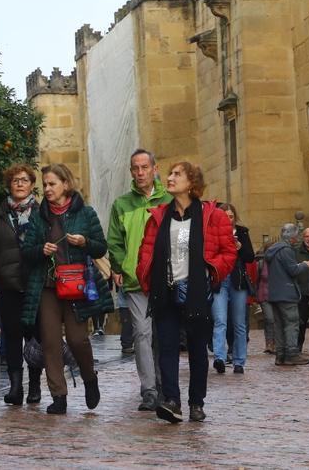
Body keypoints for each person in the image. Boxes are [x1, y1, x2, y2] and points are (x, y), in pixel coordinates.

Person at [136, 161, 237, 424]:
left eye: (176, 175)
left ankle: (196, 403)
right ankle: (171, 401)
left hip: (195, 292)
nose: (169, 178)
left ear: (191, 183)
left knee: (196, 350)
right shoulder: (159, 216)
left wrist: (210, 271)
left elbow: (229, 252)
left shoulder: (211, 216)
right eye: (169, 174)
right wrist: (144, 277)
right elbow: (145, 251)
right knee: (167, 347)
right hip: (165, 289)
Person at [20, 163, 112, 415]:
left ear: (66, 184)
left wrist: (85, 242)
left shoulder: (86, 213)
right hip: (48, 286)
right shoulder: (38, 216)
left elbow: (101, 248)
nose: (47, 189)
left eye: (52, 184)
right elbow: (27, 252)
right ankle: (58, 396)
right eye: (45, 184)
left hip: (76, 284)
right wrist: (41, 249)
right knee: (50, 341)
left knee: (77, 339)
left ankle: (89, 378)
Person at [106, 149, 173, 411]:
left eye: (145, 167)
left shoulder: (169, 200)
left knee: (163, 335)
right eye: (135, 168)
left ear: (155, 169)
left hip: (166, 279)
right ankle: (149, 389)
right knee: (142, 334)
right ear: (131, 171)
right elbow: (114, 241)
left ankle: (164, 383)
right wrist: (122, 266)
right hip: (136, 280)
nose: (140, 172)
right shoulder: (121, 204)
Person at [0, 163, 40, 405]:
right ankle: (15, 387)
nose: (19, 184)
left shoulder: (41, 212)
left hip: (35, 285)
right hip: (8, 285)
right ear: (9, 184)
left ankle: (35, 385)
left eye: (24, 180)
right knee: (13, 336)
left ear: (31, 184)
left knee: (35, 337)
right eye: (15, 180)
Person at [211, 202, 256, 374]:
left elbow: (250, 257)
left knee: (239, 323)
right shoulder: (213, 233)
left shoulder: (242, 232)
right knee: (220, 320)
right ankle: (219, 358)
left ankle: (239, 361)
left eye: (231, 216)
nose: (228, 220)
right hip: (220, 280)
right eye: (225, 216)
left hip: (237, 281)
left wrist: (240, 248)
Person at [265, 223, 309, 366]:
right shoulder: (286, 250)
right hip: (286, 293)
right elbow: (292, 270)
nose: (297, 238)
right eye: (296, 235)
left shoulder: (273, 250)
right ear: (292, 237)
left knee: (279, 325)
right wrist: (304, 265)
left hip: (274, 293)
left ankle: (280, 355)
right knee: (291, 323)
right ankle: (291, 354)